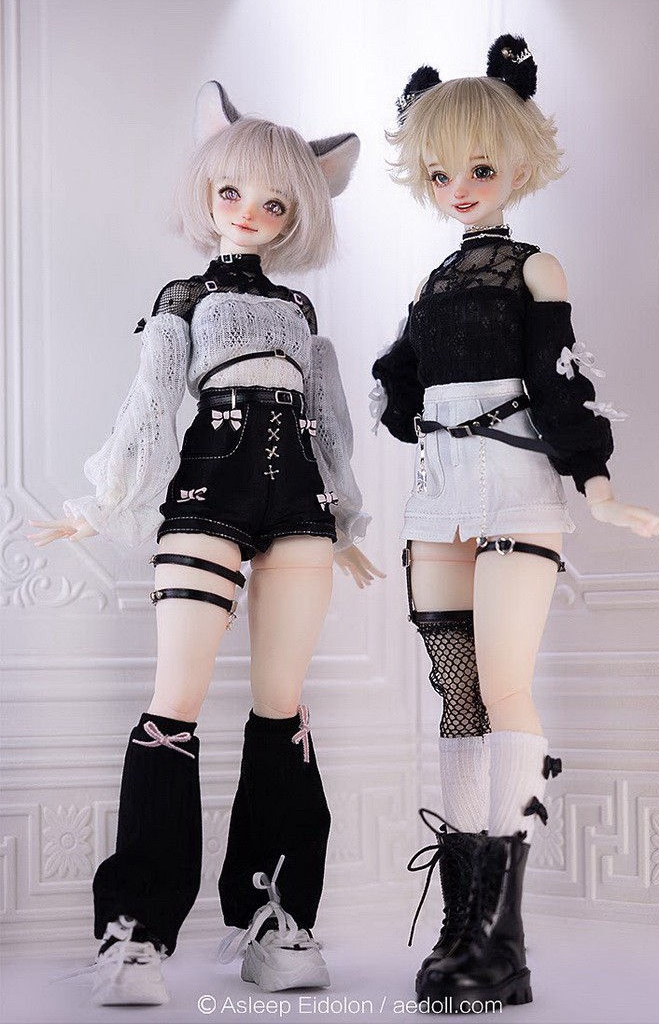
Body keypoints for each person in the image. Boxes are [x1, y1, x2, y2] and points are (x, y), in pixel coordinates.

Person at [28, 80, 381, 1005]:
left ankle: (273, 915)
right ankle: (136, 930)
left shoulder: (301, 314)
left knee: (281, 706)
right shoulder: (184, 297)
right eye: (233, 192)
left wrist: (345, 520)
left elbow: (328, 420)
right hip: (207, 488)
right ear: (208, 191)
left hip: (300, 503)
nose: (251, 213)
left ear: (299, 212)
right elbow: (150, 404)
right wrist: (102, 500)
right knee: (173, 702)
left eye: (276, 202)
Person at [372, 35, 659, 1011]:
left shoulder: (536, 268)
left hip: (514, 487)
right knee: (456, 696)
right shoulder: (432, 283)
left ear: (520, 164)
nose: (459, 188)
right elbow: (400, 383)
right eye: (441, 173)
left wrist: (596, 482)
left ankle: (502, 935)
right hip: (438, 496)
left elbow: (558, 380)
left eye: (481, 170)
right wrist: (396, 391)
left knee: (503, 686)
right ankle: (464, 922)